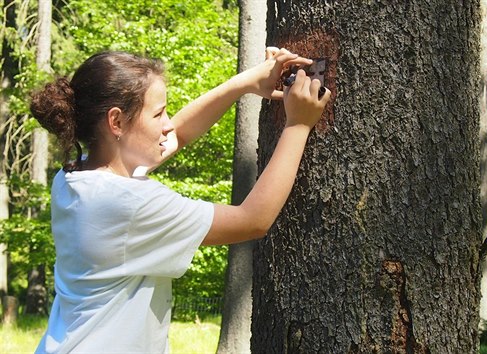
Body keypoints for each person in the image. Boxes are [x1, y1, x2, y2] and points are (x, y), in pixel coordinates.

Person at [29, 47, 330, 353]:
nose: (167, 124)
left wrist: (245, 83)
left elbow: (178, 135)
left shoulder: (73, 178)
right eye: (158, 113)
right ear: (116, 122)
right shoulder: (128, 203)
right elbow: (252, 220)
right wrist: (298, 125)